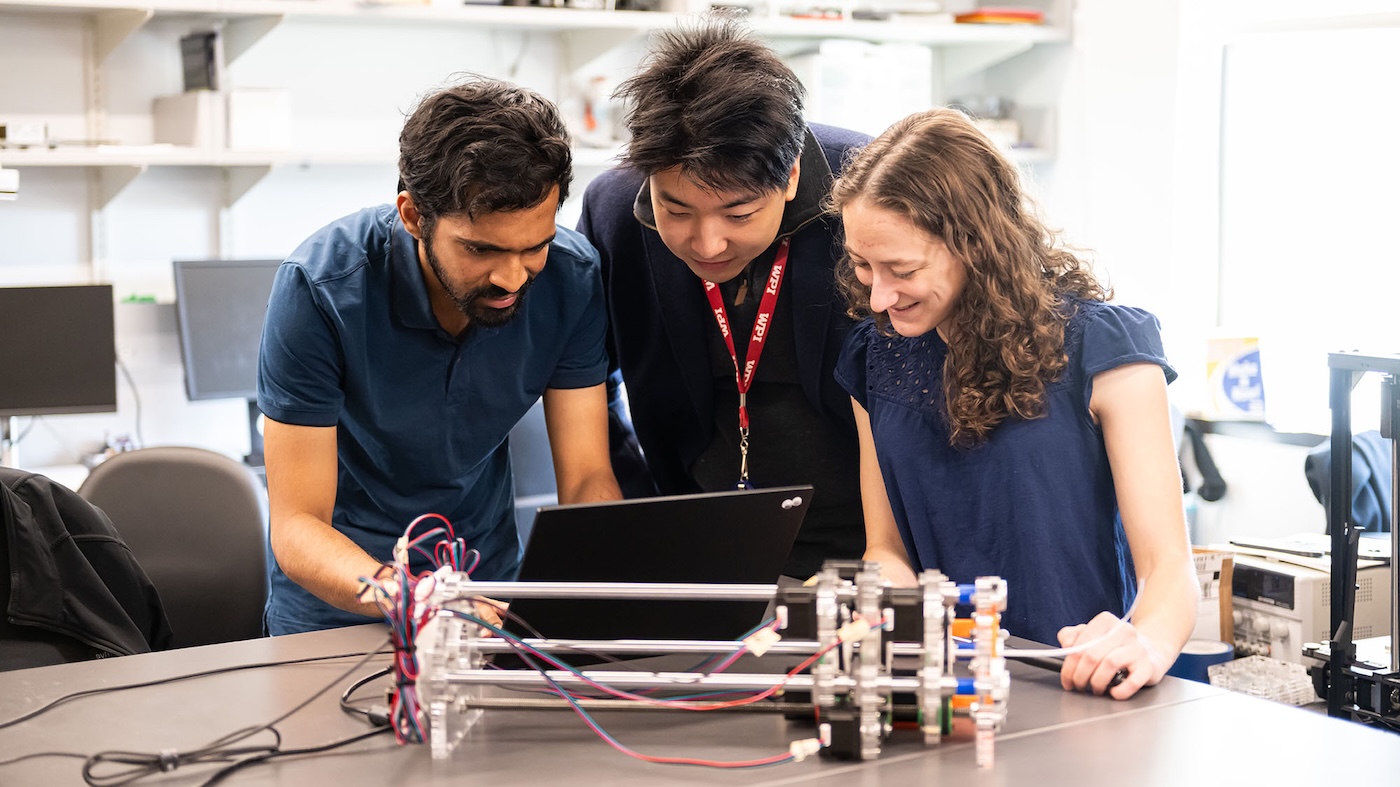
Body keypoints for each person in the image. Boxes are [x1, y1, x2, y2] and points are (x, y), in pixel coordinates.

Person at [830, 107, 1197, 699]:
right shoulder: (875, 357)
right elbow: (887, 549)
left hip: (1078, 685)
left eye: (902, 269)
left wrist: (1147, 641)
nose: (878, 296)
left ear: (975, 245)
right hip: (949, 692)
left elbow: (1169, 567)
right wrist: (883, 608)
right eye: (862, 265)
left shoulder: (1105, 348)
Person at [257, 78, 622, 635]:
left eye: (535, 246)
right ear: (412, 215)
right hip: (339, 604)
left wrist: (608, 583)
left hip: (487, 592)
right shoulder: (320, 289)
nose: (512, 278)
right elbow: (296, 526)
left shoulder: (571, 278)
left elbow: (587, 476)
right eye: (481, 249)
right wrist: (417, 598)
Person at [577, 18, 869, 579]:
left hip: (869, 546)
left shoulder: (869, 193)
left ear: (790, 177)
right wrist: (639, 512)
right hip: (699, 546)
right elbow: (581, 378)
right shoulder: (614, 213)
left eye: (739, 214)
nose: (707, 244)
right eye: (676, 210)